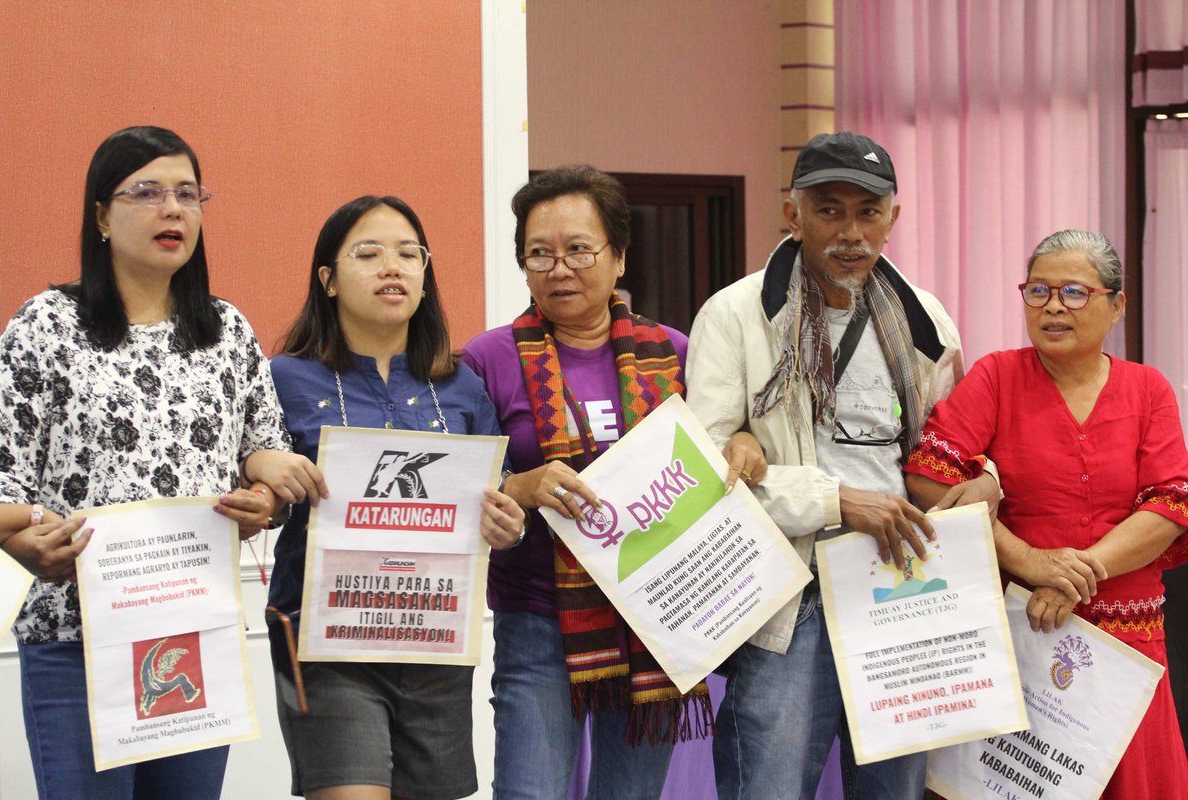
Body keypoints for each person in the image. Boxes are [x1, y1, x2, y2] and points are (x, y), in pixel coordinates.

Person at [686, 131, 1000, 800]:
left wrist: (988, 480)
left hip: (904, 589)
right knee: (768, 786)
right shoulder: (738, 315)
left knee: (895, 789)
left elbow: (959, 444)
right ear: (792, 212)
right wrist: (837, 499)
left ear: (894, 217)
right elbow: (710, 476)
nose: (850, 232)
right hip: (790, 593)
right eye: (830, 210)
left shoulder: (927, 322)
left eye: (869, 210)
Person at [0, 125, 289, 800]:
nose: (173, 210)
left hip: (192, 635)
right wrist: (29, 539)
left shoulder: (225, 329)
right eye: (147, 192)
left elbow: (266, 456)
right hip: (77, 637)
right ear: (101, 215)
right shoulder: (45, 326)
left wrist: (263, 502)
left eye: (188, 193)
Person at [462, 165, 764, 799]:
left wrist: (743, 441)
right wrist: (520, 487)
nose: (558, 268)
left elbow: (717, 448)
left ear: (619, 256)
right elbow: (465, 483)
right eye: (538, 254)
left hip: (657, 620)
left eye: (578, 249)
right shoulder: (487, 359)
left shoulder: (677, 352)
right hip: (538, 618)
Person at [251, 194, 526, 800]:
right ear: (327, 279)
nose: (392, 267)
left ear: (425, 279)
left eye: (408, 254)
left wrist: (508, 522)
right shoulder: (282, 379)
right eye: (368, 254)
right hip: (326, 640)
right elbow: (254, 492)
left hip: (434, 640)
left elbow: (495, 497)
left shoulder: (461, 385)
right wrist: (267, 479)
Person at [904, 229, 1188, 798]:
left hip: (1124, 643)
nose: (1054, 306)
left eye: (1075, 292)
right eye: (1038, 291)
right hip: (1020, 631)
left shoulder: (1148, 388)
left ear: (1117, 304)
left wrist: (1076, 575)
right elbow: (928, 478)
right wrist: (1030, 562)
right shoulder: (997, 376)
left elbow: (1170, 505)